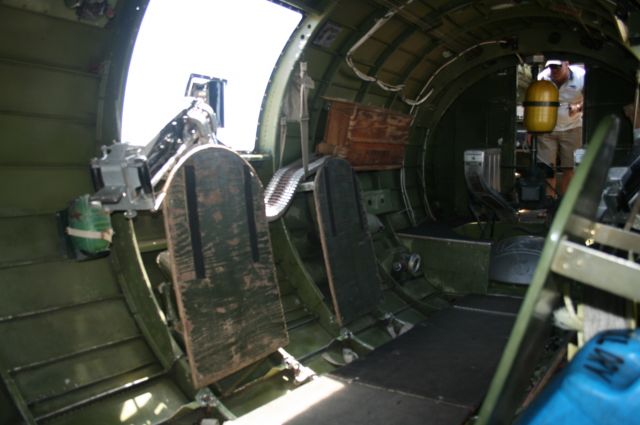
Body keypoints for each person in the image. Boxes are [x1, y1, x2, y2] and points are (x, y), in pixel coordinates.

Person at [537, 60, 585, 195]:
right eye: (551, 67)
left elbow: (591, 99)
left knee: (570, 168)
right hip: (547, 129)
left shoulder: (582, 77)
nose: (554, 70)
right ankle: (548, 203)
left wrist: (578, 107)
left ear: (566, 64)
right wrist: (531, 131)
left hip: (573, 128)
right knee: (547, 170)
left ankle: (564, 203)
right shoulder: (542, 77)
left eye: (557, 67)